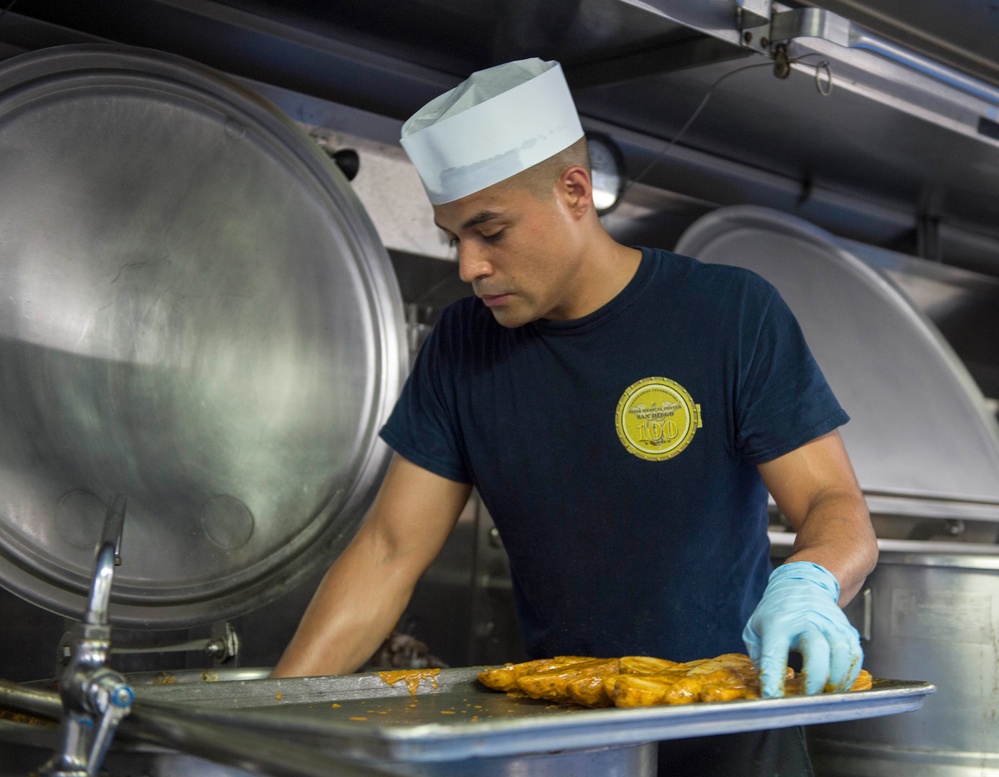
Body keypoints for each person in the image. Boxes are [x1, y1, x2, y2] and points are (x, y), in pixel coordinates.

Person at [273, 57, 878, 776]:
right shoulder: (460, 349)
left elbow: (832, 506)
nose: (467, 265)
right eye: (451, 237)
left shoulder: (728, 315)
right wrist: (269, 723)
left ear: (574, 191)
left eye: (489, 230)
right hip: (567, 743)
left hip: (735, 738)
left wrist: (809, 581)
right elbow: (387, 553)